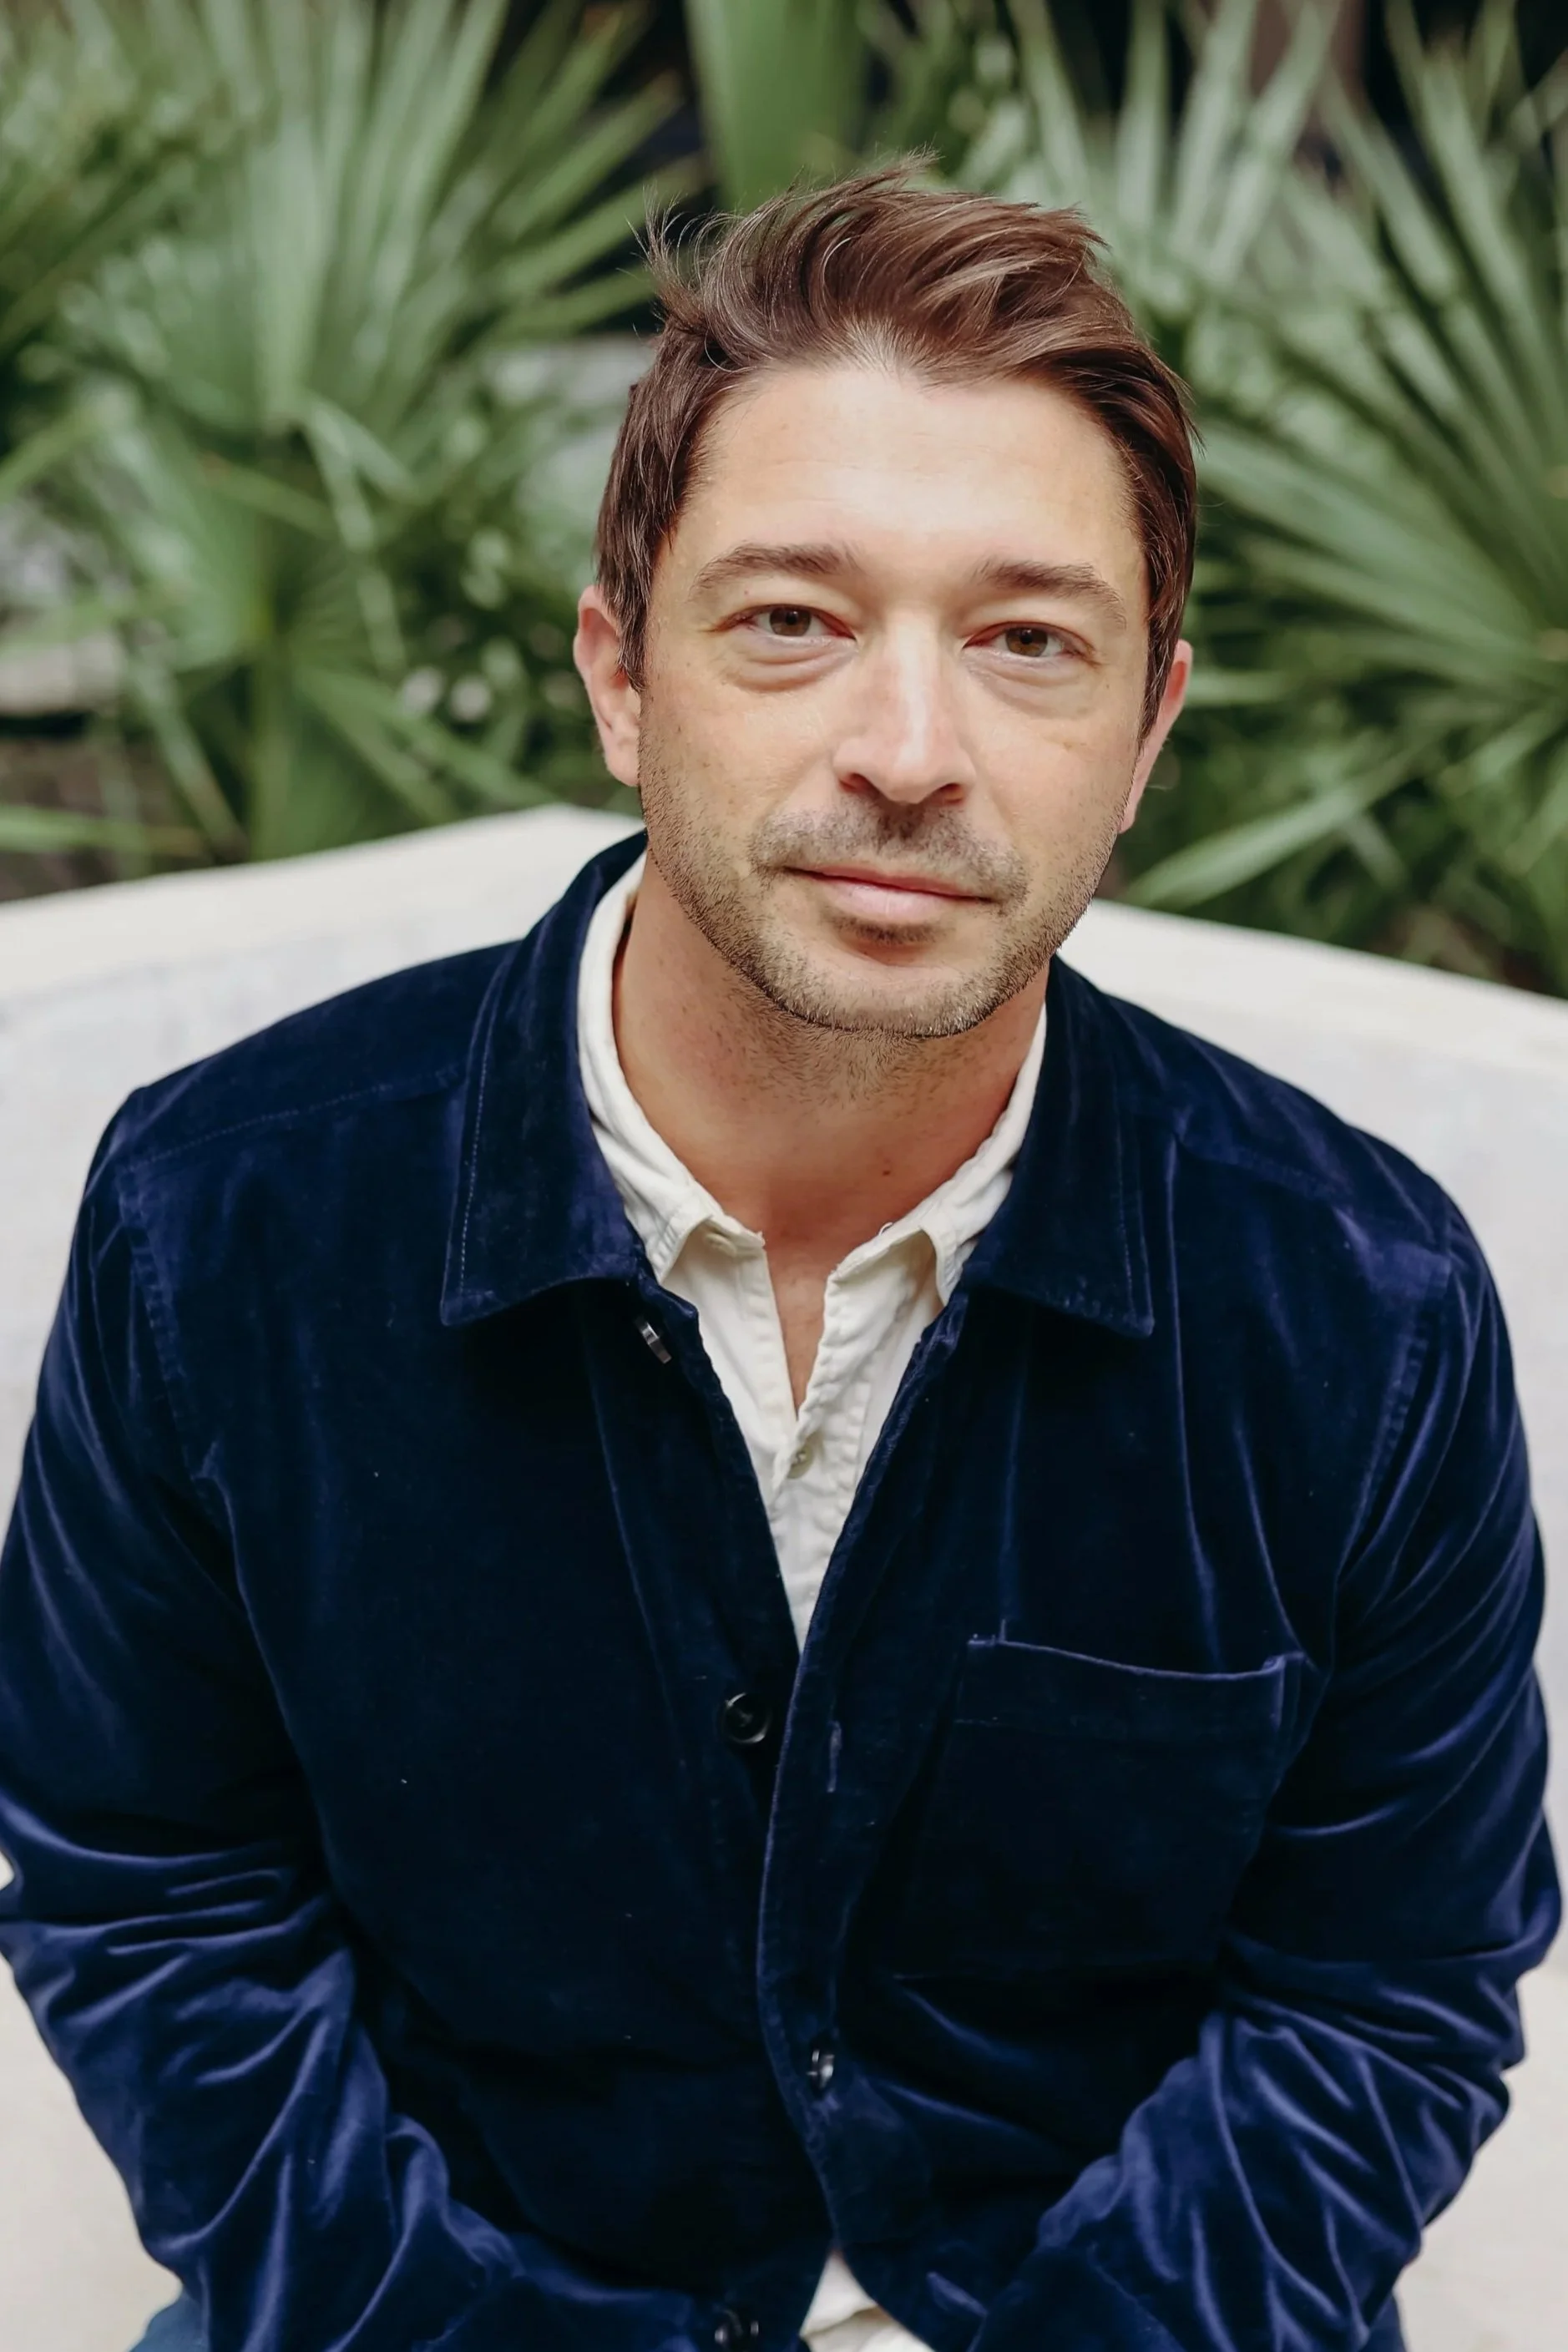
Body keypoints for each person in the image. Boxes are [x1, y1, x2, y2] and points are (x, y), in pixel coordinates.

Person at [0, 172, 1556, 2352]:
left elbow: (1377, 1991)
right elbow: (148, 1892)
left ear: (1146, 733)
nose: (906, 752)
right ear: (620, 675)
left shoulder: (1355, 1306)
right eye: (789, 620)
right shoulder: (225, 1220)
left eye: (1028, 641)